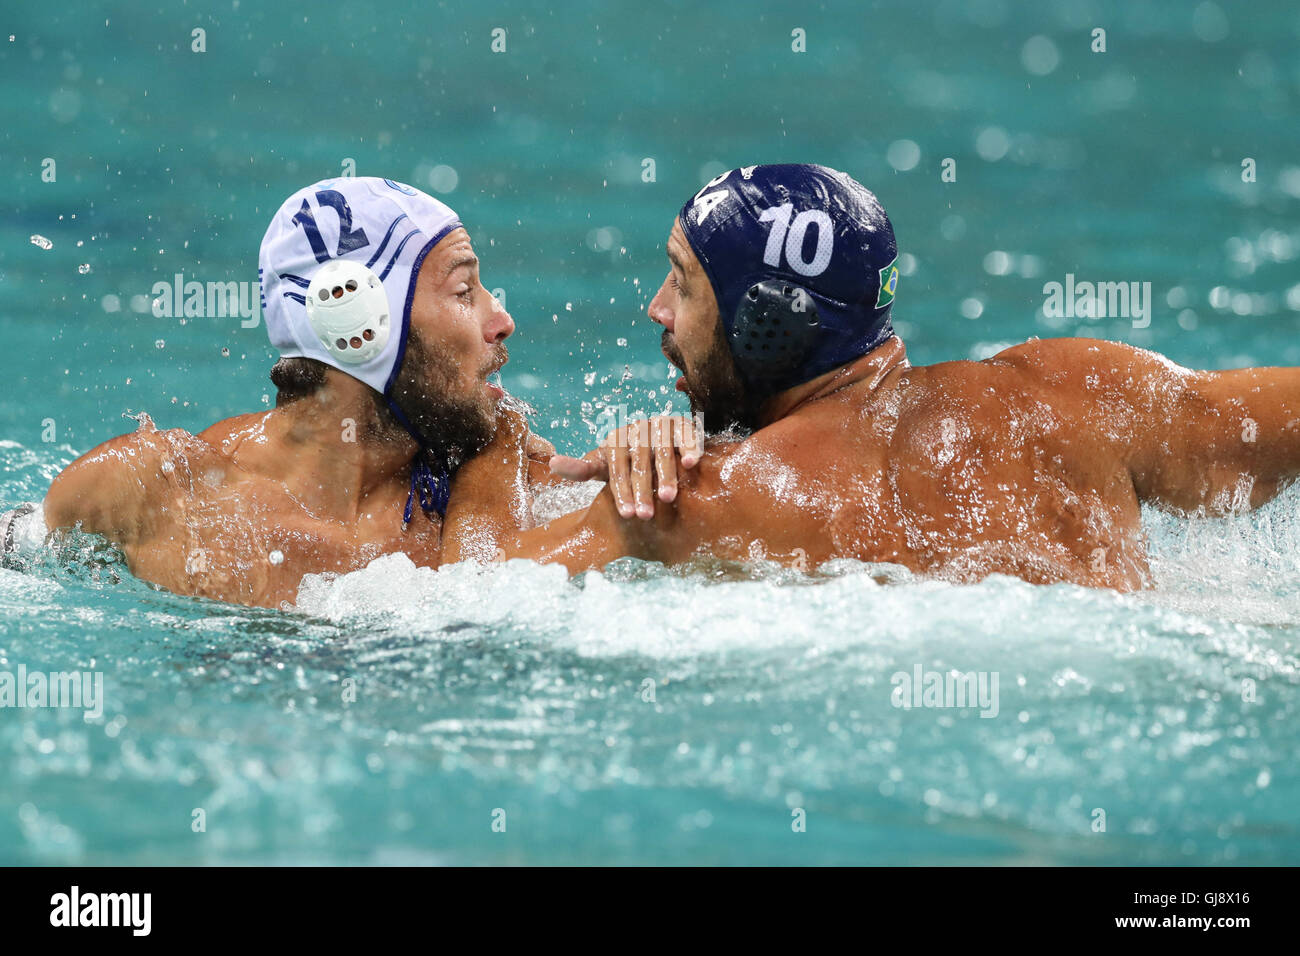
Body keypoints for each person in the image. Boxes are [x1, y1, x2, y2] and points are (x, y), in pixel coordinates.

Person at [444, 163, 1300, 591]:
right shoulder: (1075, 394)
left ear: (766, 323)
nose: (658, 309)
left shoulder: (705, 499)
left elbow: (470, 588)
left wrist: (490, 437)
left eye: (686, 281)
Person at [4, 177, 691, 608]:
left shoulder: (496, 477)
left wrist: (660, 446)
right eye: (463, 289)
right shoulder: (158, 491)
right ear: (356, 323)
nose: (500, 318)